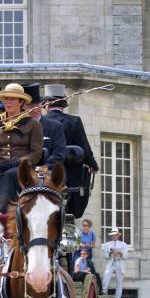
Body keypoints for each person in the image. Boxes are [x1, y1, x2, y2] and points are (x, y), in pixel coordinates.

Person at [0, 83, 43, 215]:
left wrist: (19, 162)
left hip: (21, 167)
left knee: (11, 174)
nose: (9, 102)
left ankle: (6, 213)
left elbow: (36, 153)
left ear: (21, 102)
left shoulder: (33, 124)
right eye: (6, 99)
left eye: (13, 99)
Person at [44, 83, 99, 218]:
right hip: (71, 179)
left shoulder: (41, 122)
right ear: (63, 105)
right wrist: (93, 165)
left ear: (46, 104)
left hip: (45, 176)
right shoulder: (74, 121)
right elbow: (84, 147)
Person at [22, 82, 66, 169]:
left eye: (37, 105)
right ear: (22, 107)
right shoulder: (18, 126)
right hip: (23, 170)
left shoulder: (55, 127)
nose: (35, 109)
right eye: (30, 106)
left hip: (50, 170)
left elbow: (59, 154)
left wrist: (44, 167)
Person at [102, 228, 129, 298]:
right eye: (113, 235)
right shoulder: (107, 244)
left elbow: (126, 255)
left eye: (115, 235)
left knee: (119, 281)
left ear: (118, 235)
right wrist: (110, 252)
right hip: (111, 262)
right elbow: (105, 255)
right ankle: (104, 291)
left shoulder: (123, 244)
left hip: (119, 262)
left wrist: (120, 253)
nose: (114, 236)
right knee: (106, 276)